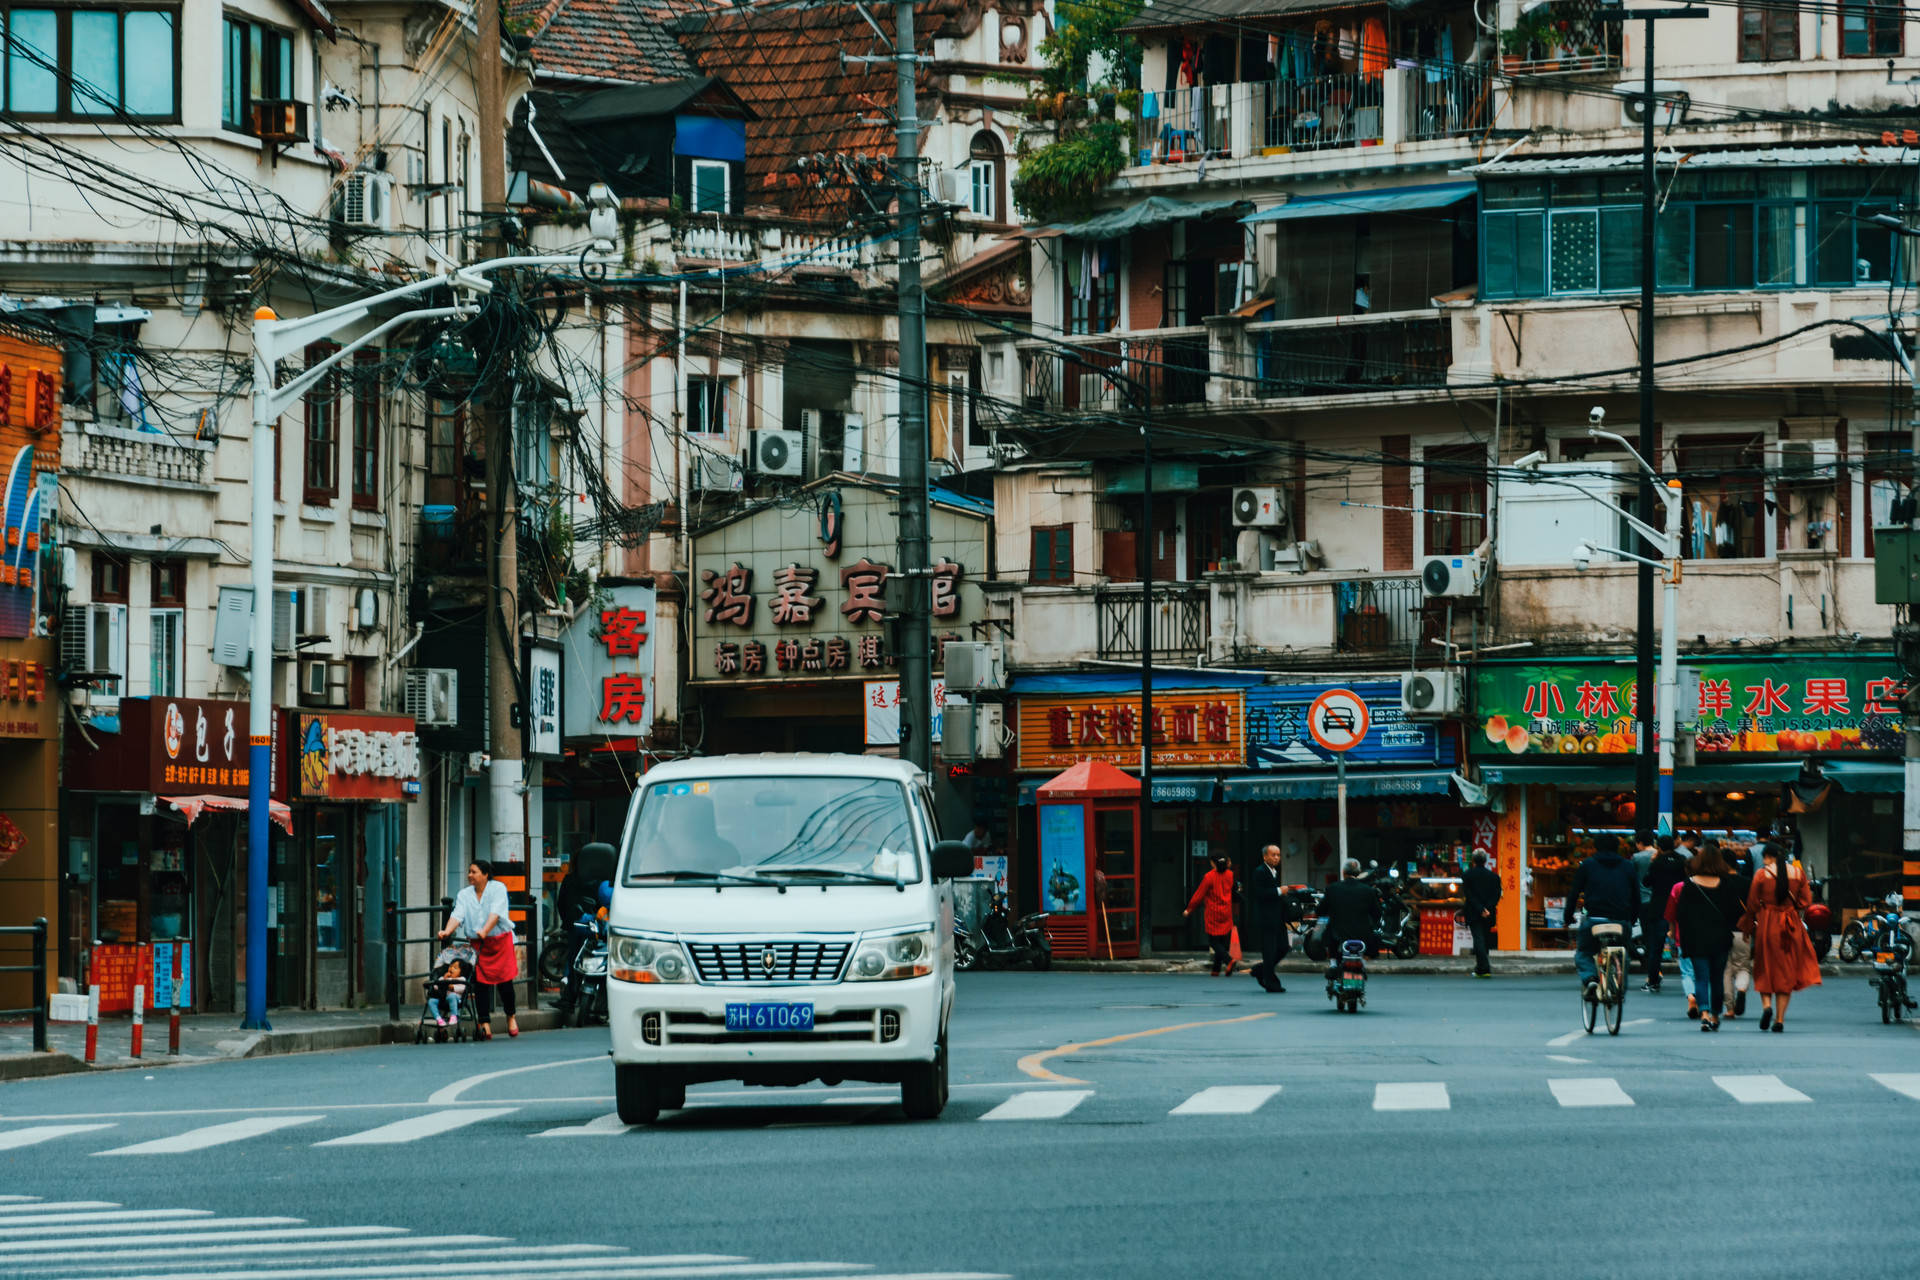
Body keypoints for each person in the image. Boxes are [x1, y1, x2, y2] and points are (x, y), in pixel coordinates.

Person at [1740, 841, 1822, 1032]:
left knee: (1765, 967)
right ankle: (1779, 1019)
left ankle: (1767, 1007)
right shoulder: (1797, 873)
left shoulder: (1761, 874)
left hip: (1767, 924)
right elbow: (1805, 902)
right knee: (1785, 972)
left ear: (1769, 857)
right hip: (1790, 925)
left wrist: (1748, 925)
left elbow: (1752, 904)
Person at [440, 860, 520, 1040]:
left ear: (485, 875)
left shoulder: (497, 888)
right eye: (469, 871)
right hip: (478, 943)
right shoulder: (464, 894)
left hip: (499, 940)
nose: (470, 875)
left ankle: (511, 1016)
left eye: (474, 872)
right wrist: (447, 930)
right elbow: (457, 914)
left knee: (505, 982)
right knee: (481, 982)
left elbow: (496, 913)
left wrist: (485, 930)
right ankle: (484, 1022)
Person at [1668, 843, 1743, 1033]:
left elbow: (1681, 915)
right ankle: (1716, 1015)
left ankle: (1704, 1014)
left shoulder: (1689, 884)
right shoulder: (1726, 884)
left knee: (1701, 977)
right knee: (1717, 978)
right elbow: (1735, 912)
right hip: (1720, 938)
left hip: (1696, 937)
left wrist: (1683, 939)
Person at [1564, 833, 1641, 999]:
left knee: (1584, 952)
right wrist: (1631, 919)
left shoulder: (1588, 865)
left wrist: (1568, 916)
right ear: (1617, 847)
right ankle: (1619, 984)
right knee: (1624, 951)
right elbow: (1636, 897)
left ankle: (1591, 978)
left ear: (1596, 847)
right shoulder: (1628, 866)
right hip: (1621, 921)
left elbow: (1574, 893)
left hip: (1595, 919)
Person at [1319, 859, 1383, 984]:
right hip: (1363, 935)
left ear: (1343, 872)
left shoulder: (1332, 889)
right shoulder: (1368, 890)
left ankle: (1332, 964)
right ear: (1358, 872)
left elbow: (1320, 910)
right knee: (1376, 938)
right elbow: (1377, 914)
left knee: (1327, 934)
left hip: (1338, 935)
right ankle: (1363, 963)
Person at [1642, 835, 1689, 996]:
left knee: (1656, 946)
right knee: (1684, 943)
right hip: (1680, 907)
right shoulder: (1682, 860)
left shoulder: (1657, 863)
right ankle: (1690, 979)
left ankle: (1653, 980)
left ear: (1659, 847)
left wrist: (1653, 862)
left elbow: (1646, 882)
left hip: (1659, 907)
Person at [1184, 852, 1238, 977]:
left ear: (1213, 863)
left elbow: (1199, 895)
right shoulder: (1230, 875)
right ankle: (1216, 969)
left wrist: (1189, 909)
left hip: (1213, 912)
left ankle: (1229, 960)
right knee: (1222, 941)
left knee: (1214, 942)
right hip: (1226, 911)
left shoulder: (1209, 877)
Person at [1243, 845, 1288, 992]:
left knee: (1283, 947)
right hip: (1266, 918)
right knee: (1269, 951)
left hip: (1277, 918)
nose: (1276, 858)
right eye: (1273, 855)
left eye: (1278, 855)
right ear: (1265, 857)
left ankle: (1258, 970)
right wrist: (1279, 891)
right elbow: (1260, 894)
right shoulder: (1260, 872)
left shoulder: (1274, 872)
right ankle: (1271, 983)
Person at [1720, 845, 1754, 1018]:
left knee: (1725, 970)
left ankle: (1730, 1008)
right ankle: (1741, 988)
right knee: (1743, 968)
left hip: (1722, 931)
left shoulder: (1718, 883)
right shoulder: (1747, 882)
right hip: (1743, 931)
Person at [1463, 851, 1502, 978]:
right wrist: (1487, 909)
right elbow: (1496, 896)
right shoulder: (1494, 877)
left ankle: (1484, 968)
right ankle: (1480, 967)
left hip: (1474, 912)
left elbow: (1469, 896)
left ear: (1473, 860)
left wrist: (1480, 909)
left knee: (1478, 940)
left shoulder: (1467, 875)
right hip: (1488, 913)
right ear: (1485, 861)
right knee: (1484, 939)